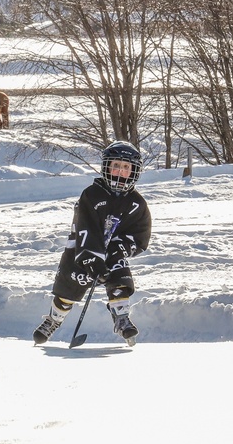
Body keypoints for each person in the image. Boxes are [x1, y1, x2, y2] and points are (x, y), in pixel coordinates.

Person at [33, 141, 152, 346]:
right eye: (116, 165)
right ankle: (54, 319)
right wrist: (93, 259)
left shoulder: (136, 203)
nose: (120, 171)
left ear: (134, 171)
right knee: (68, 289)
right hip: (83, 251)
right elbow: (85, 228)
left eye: (126, 167)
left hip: (112, 252)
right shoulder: (92, 194)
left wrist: (118, 249)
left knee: (120, 279)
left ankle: (121, 318)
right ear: (106, 167)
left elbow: (140, 234)